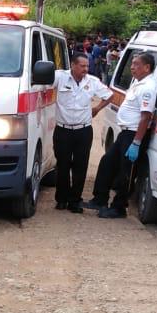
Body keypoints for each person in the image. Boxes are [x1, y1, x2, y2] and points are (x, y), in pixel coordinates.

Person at [85, 52, 157, 219]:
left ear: (147, 67)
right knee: (107, 162)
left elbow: (146, 116)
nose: (132, 67)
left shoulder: (148, 87)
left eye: (136, 64)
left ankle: (119, 207)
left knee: (127, 171)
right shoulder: (137, 82)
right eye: (132, 64)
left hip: (134, 134)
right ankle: (100, 199)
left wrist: (137, 143)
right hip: (125, 133)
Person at [52, 52, 120, 212]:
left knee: (80, 167)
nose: (86, 69)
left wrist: (97, 108)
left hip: (83, 131)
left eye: (87, 66)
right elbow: (41, 82)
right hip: (63, 130)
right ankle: (61, 199)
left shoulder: (92, 81)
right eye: (82, 66)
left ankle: (75, 201)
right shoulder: (60, 77)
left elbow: (109, 95)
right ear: (73, 65)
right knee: (62, 166)